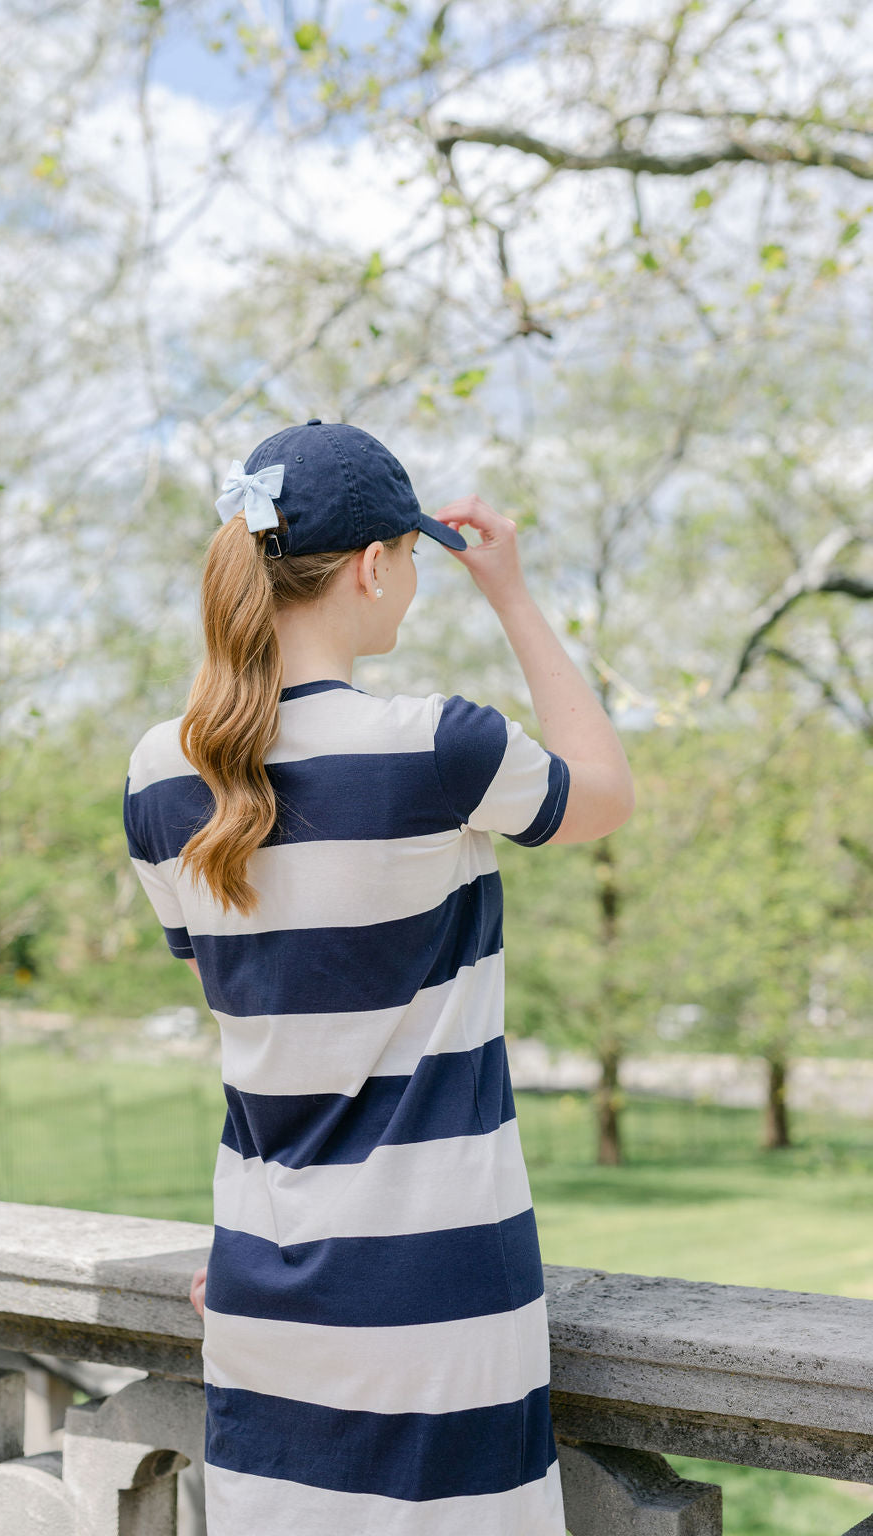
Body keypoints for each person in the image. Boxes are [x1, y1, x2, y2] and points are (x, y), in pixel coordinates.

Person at [123, 418, 635, 1536]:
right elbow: (602, 788)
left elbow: (263, 1024)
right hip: (434, 1302)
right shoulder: (438, 746)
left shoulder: (161, 774)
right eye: (408, 560)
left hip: (261, 1290)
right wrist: (509, 595)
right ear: (372, 565)